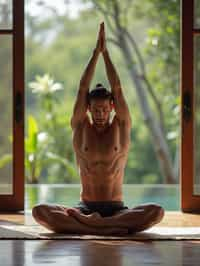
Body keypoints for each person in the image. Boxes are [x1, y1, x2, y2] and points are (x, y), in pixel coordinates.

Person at [32, 22, 164, 235]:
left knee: (156, 212)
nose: (100, 114)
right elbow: (83, 87)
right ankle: (105, 228)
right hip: (85, 207)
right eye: (95, 110)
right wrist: (95, 53)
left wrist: (106, 54)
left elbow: (118, 89)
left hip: (116, 208)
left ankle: (93, 227)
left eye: (104, 110)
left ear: (112, 107)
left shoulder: (121, 126)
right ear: (88, 108)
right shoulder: (80, 126)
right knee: (40, 211)